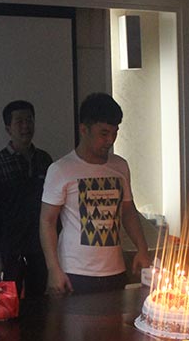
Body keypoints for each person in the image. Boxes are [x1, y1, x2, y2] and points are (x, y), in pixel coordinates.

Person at [40, 93, 150, 295]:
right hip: (75, 272)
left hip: (115, 270)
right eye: (104, 133)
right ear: (84, 130)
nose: (110, 140)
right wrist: (53, 268)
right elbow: (47, 221)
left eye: (115, 133)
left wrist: (142, 248)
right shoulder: (61, 169)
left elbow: (128, 211)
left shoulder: (120, 166)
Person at [0, 100, 53, 297]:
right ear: (8, 128)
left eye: (29, 120)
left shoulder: (44, 160)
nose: (25, 126)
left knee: (40, 302)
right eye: (19, 121)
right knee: (9, 300)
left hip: (39, 247)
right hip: (9, 250)